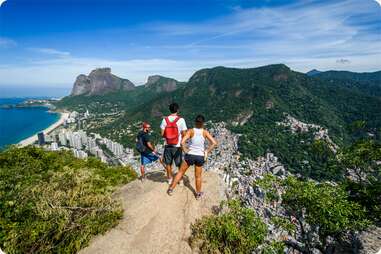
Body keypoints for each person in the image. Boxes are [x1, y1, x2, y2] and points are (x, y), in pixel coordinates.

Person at [167, 115, 217, 199]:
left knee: (180, 172)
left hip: (190, 155)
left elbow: (182, 142)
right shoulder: (205, 132)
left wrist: (185, 150)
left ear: (195, 122)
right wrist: (206, 151)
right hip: (200, 156)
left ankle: (171, 189)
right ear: (203, 123)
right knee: (198, 176)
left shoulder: (191, 131)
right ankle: (198, 194)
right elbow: (214, 143)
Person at [160, 102, 188, 184]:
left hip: (168, 145)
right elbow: (184, 134)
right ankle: (181, 179)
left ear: (169, 110)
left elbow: (162, 134)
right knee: (179, 164)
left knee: (168, 163)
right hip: (177, 146)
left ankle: (169, 178)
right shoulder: (181, 120)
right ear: (178, 110)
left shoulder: (164, 120)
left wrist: (169, 136)